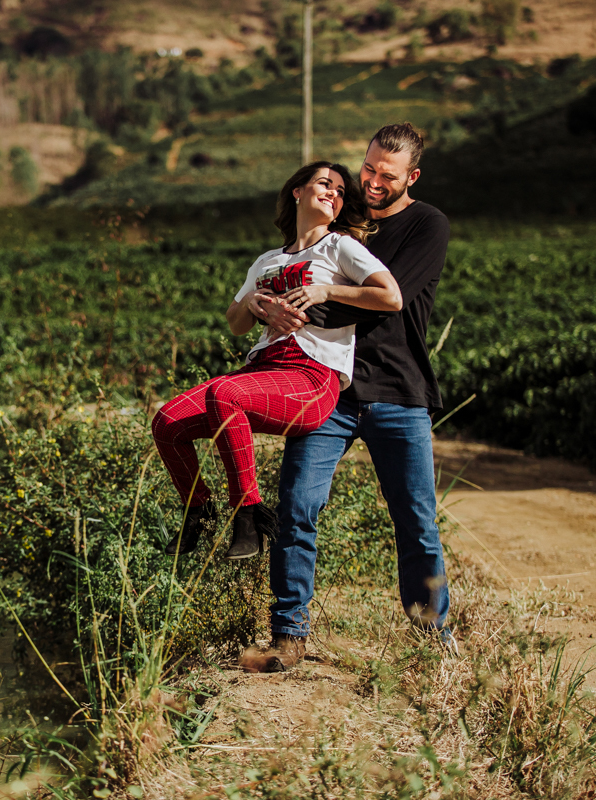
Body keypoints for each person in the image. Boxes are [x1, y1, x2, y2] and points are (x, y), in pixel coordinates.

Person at [242, 123, 452, 673]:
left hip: (398, 390)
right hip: (326, 389)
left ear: (412, 177)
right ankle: (288, 636)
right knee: (298, 507)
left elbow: (389, 298)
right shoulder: (342, 224)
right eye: (369, 168)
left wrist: (309, 298)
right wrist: (268, 304)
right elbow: (287, 274)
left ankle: (433, 638)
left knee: (416, 521)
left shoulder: (426, 224)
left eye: (389, 175)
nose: (374, 181)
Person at [151, 161, 403, 561]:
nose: (333, 193)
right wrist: (251, 302)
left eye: (340, 191)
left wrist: (325, 292)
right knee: (167, 422)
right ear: (297, 191)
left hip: (311, 377)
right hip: (264, 370)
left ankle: (248, 515)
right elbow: (236, 323)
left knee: (224, 393)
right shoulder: (267, 260)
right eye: (325, 183)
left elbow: (391, 296)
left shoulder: (339, 247)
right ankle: (198, 510)